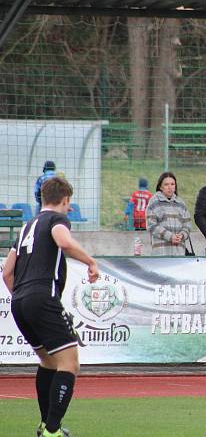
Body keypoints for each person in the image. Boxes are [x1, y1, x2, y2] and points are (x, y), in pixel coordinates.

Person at [3, 176, 100, 437]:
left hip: (20, 301)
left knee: (48, 361)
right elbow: (64, 241)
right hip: (41, 297)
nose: (69, 208)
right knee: (69, 364)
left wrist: (25, 296)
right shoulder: (57, 220)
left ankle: (46, 425)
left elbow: (7, 272)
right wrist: (91, 262)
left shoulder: (27, 226)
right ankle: (53, 430)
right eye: (69, 203)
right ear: (65, 200)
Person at [146, 171, 192, 256]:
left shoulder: (181, 203)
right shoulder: (154, 202)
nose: (170, 187)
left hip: (179, 254)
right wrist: (170, 236)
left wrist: (181, 236)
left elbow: (188, 225)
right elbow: (151, 225)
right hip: (160, 254)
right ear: (160, 187)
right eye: (166, 184)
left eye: (172, 184)